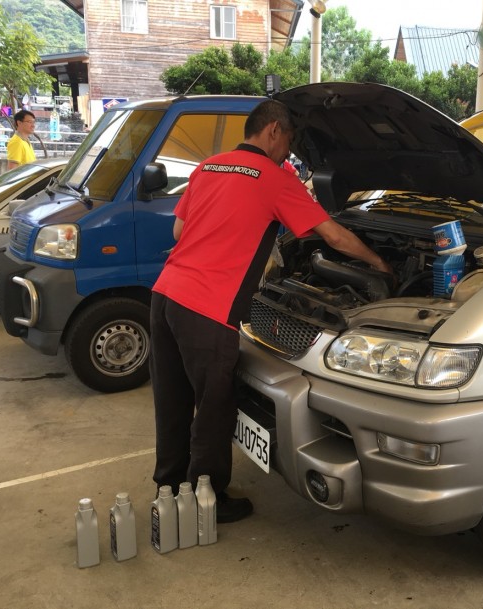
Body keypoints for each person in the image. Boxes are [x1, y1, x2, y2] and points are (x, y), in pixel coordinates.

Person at [150, 99, 391, 523]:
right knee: (212, 406)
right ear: (274, 131)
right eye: (290, 141)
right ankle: (209, 501)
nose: (289, 151)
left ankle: (169, 488)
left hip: (165, 293)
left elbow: (178, 230)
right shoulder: (274, 178)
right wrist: (378, 264)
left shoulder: (210, 166)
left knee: (172, 399)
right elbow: (333, 237)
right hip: (207, 307)